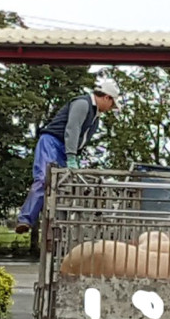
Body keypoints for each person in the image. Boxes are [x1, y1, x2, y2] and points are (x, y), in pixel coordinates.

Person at [15, 77, 122, 234]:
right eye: (112, 104)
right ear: (107, 97)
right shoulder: (82, 104)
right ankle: (25, 219)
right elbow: (72, 129)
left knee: (64, 187)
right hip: (52, 142)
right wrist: (71, 156)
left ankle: (58, 229)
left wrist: (74, 156)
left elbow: (80, 139)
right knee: (45, 179)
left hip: (67, 150)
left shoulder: (95, 117)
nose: (110, 108)